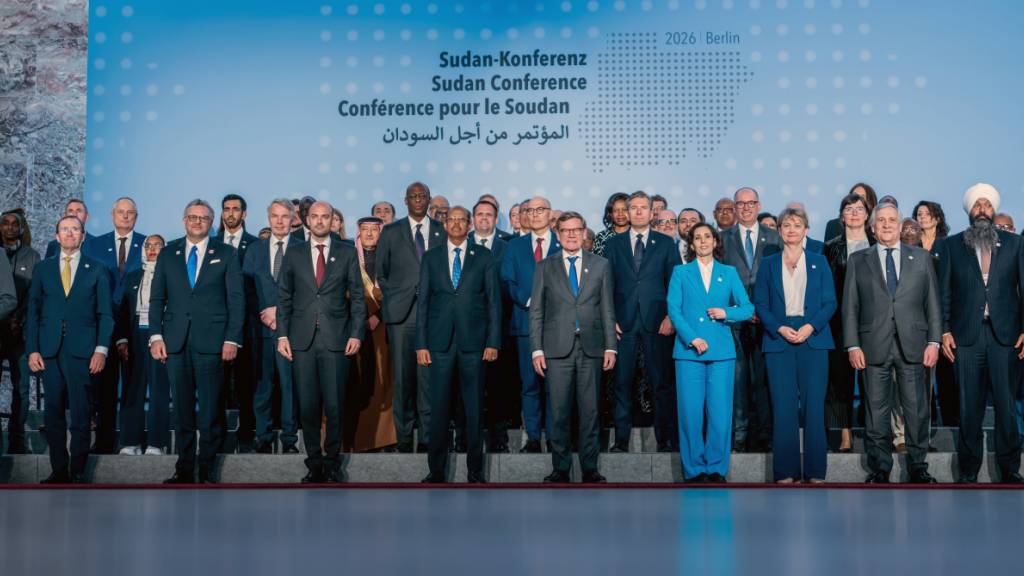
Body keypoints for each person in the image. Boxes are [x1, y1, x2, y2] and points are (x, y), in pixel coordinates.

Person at [845, 201, 942, 484]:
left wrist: (934, 341)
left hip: (914, 345)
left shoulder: (921, 258)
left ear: (900, 226)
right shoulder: (858, 260)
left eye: (892, 220)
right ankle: (880, 468)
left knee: (916, 410)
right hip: (873, 345)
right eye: (882, 221)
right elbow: (850, 306)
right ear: (872, 228)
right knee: (876, 412)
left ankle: (918, 466)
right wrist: (853, 345)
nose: (887, 225)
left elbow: (932, 304)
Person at [150, 199, 245, 484]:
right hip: (176, 342)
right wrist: (156, 336)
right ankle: (184, 468)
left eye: (203, 218)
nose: (197, 222)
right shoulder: (168, 254)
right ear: (184, 221)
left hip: (213, 343)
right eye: (192, 217)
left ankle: (207, 469)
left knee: (210, 409)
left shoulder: (226, 253)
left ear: (211, 222)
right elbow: (157, 299)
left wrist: (232, 338)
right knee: (181, 410)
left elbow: (236, 300)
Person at [940, 184, 1024, 484]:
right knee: (969, 408)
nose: (982, 210)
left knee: (1006, 406)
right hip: (966, 338)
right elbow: (944, 293)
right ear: (969, 211)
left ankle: (1010, 469)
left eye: (987, 206)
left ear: (994, 210)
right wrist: (945, 330)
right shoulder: (952, 245)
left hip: (1005, 337)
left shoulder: (1015, 244)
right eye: (977, 206)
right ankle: (968, 471)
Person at [277, 201, 365, 482]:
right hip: (301, 340)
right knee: (308, 405)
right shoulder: (293, 253)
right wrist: (282, 334)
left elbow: (358, 298)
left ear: (332, 221)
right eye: (314, 216)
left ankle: (333, 462)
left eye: (324, 217)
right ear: (307, 220)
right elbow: (284, 298)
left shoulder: (347, 252)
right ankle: (313, 463)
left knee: (335, 404)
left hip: (337, 339)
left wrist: (356, 333)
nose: (319, 221)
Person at [416, 206, 501, 483]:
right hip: (438, 345)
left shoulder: (484, 256)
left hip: (474, 344)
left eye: (460, 220)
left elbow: (493, 303)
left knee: (474, 408)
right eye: (450, 219)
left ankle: (475, 471)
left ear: (469, 224)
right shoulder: (431, 257)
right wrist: (421, 344)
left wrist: (493, 342)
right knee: (439, 408)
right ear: (445, 224)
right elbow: (424, 304)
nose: (455, 224)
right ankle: (436, 470)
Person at [530, 212, 616, 483]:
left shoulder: (600, 265)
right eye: (565, 230)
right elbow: (537, 313)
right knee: (559, 411)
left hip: (592, 348)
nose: (570, 234)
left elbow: (607, 309)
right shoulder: (545, 266)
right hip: (556, 349)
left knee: (590, 411)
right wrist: (537, 349)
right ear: (558, 235)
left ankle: (590, 468)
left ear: (583, 232)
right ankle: (561, 468)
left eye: (576, 230)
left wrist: (611, 347)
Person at [667, 223, 753, 483]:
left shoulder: (728, 273)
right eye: (697, 238)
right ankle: (693, 470)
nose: (703, 241)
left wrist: (727, 312)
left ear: (715, 242)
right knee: (691, 413)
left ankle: (716, 468)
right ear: (691, 244)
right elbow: (674, 309)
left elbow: (747, 308)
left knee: (720, 413)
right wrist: (692, 337)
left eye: (707, 237)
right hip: (688, 352)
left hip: (721, 352)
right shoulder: (680, 272)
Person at [754, 208, 835, 483]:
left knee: (814, 408)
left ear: (806, 230)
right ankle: (785, 472)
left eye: (797, 225)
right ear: (779, 231)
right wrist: (778, 327)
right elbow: (761, 305)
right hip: (779, 339)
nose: (791, 229)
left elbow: (829, 303)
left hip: (813, 338)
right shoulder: (768, 264)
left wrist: (810, 326)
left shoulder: (819, 261)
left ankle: (815, 472)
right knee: (784, 407)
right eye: (786, 225)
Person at [27, 215, 110, 483]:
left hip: (83, 351)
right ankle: (59, 469)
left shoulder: (96, 269)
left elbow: (106, 314)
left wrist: (101, 349)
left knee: (81, 413)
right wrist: (33, 350)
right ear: (56, 235)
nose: (70, 233)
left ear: (83, 236)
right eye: (65, 229)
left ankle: (78, 470)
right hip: (49, 351)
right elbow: (33, 313)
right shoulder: (43, 269)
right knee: (52, 412)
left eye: (75, 229)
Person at [604, 191, 680, 452]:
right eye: (632, 207)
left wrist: (672, 316)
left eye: (642, 208)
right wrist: (609, 318)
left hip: (658, 321)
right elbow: (606, 285)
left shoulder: (666, 243)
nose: (637, 212)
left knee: (661, 382)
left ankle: (665, 439)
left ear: (651, 212)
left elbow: (676, 284)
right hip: (622, 323)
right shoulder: (613, 244)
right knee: (622, 382)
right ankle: (621, 440)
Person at [376, 182, 446, 452]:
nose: (418, 200)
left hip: (434, 316)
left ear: (429, 200)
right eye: (413, 196)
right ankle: (404, 439)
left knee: (428, 380)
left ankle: (428, 438)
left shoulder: (442, 232)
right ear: (405, 201)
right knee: (403, 380)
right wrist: (397, 297)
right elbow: (381, 273)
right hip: (401, 317)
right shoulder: (391, 232)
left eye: (423, 196)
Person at [720, 187, 781, 452]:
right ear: (734, 208)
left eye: (750, 203)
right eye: (740, 204)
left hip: (765, 321)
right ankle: (740, 435)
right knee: (737, 381)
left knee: (764, 381)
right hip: (733, 322)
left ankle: (766, 435)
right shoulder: (721, 239)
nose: (745, 208)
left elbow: (779, 281)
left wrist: (761, 310)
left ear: (758, 205)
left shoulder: (775, 238)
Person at [501, 196, 561, 452]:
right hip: (525, 324)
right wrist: (529, 301)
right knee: (530, 384)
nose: (534, 214)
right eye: (530, 210)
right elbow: (507, 281)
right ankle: (534, 437)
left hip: (559, 325)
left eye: (540, 209)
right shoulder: (514, 247)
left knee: (556, 386)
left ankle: (556, 437)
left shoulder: (563, 243)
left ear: (550, 214)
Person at [241, 199, 300, 454]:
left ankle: (289, 440)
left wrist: (281, 313)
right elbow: (247, 288)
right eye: (275, 216)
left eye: (284, 216)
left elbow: (307, 289)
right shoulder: (254, 250)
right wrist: (265, 314)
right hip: (261, 330)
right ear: (268, 218)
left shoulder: (302, 248)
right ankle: (262, 437)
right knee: (262, 386)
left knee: (290, 386)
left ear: (292, 219)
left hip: (292, 330)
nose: (279, 221)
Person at [823, 193, 876, 452]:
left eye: (859, 209)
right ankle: (844, 435)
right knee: (841, 381)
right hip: (839, 322)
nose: (854, 213)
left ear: (867, 214)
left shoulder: (878, 243)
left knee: (873, 381)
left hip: (874, 322)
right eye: (848, 209)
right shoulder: (830, 247)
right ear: (841, 215)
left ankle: (873, 433)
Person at [114, 235, 171, 455]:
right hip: (135, 333)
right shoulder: (133, 276)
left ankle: (156, 443)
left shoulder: (171, 274)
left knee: (159, 390)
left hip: (161, 335)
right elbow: (123, 310)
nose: (152, 249)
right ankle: (130, 442)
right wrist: (122, 338)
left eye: (157, 245)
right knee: (132, 388)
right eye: (148, 245)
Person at [346, 216, 397, 451]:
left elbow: (399, 290)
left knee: (383, 381)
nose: (369, 234)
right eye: (364, 229)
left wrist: (379, 314)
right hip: (354, 329)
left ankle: (382, 440)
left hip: (383, 329)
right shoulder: (348, 256)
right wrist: (360, 318)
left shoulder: (390, 256)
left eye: (374, 230)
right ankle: (353, 440)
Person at [469, 199, 515, 451]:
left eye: (489, 215)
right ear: (473, 219)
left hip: (499, 327)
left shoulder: (507, 246)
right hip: (467, 330)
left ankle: (499, 440)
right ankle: (467, 439)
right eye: (480, 215)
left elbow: (508, 283)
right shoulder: (461, 244)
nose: (484, 219)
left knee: (498, 388)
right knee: (467, 389)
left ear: (496, 219)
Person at [215, 193, 259, 452]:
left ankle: (246, 437)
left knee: (246, 384)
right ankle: (217, 437)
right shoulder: (210, 244)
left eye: (236, 209)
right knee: (216, 385)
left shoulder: (255, 245)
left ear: (244, 214)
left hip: (248, 324)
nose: (231, 213)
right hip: (216, 324)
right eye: (227, 209)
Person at [1, 209, 41, 454]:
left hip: (21, 333)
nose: (9, 227)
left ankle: (17, 438)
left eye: (14, 224)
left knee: (22, 388)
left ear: (21, 228)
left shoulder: (32, 256)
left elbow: (35, 294)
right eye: (4, 223)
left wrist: (18, 318)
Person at [914, 200, 956, 427]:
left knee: (946, 373)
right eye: (919, 214)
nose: (923, 217)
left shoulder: (948, 245)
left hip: (943, 315)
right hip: (918, 315)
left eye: (927, 214)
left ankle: (950, 421)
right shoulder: (911, 245)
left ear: (937, 218)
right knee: (923, 371)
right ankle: (926, 421)